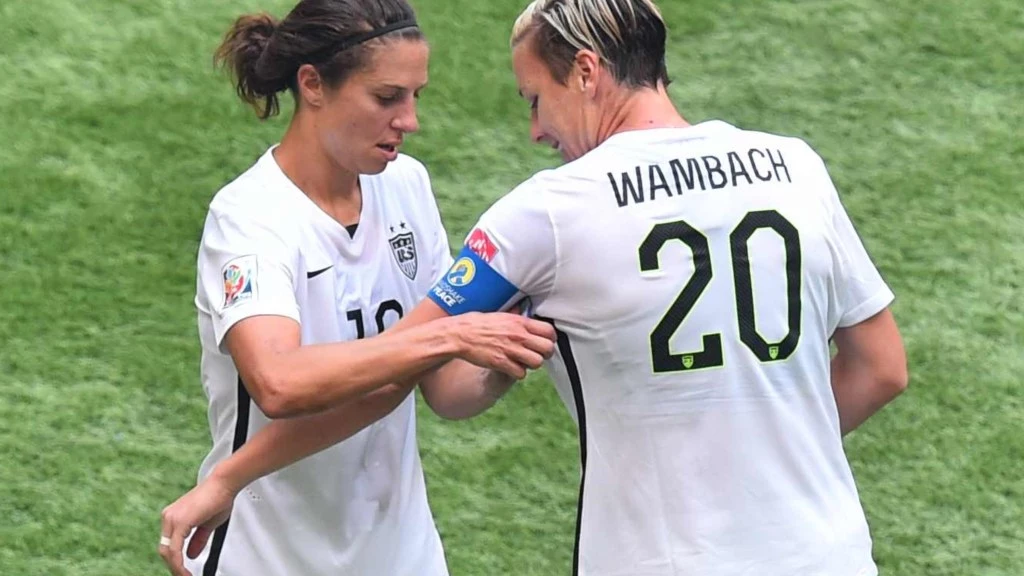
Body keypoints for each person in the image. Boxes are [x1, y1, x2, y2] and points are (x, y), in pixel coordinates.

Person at [162, 0, 909, 575]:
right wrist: (758, 455)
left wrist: (462, 336)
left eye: (533, 99)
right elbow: (882, 368)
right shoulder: (796, 166)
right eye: (391, 97)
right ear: (312, 85)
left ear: (585, 72)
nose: (536, 132)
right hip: (826, 548)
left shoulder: (546, 213)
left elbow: (419, 369)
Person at [156, 1, 555, 575]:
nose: (410, 120)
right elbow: (279, 383)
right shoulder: (248, 219)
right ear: (313, 85)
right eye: (387, 98)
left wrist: (508, 351)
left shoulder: (407, 186)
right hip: (268, 556)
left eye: (417, 96)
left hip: (403, 555)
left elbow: (445, 392)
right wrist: (447, 335)